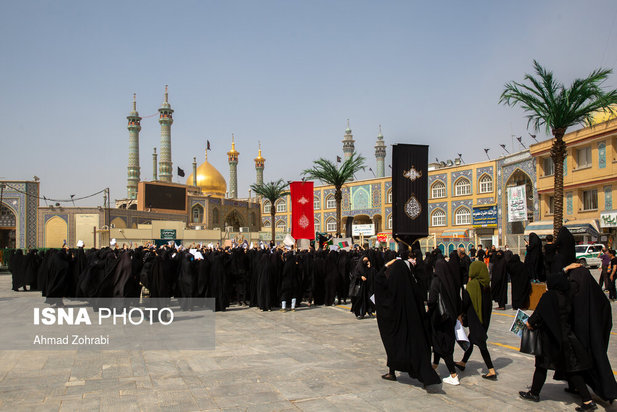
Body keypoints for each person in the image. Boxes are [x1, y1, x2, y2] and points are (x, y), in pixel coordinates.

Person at [519, 271, 595, 411]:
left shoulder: (548, 297)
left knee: (542, 365)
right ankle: (587, 400)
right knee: (572, 369)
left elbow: (537, 316)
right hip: (567, 338)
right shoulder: (567, 296)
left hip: (549, 339)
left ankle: (534, 393)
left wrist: (528, 323)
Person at [375, 249, 440, 387]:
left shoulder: (391, 292)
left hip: (396, 327)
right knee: (415, 348)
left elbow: (378, 280)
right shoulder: (413, 288)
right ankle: (422, 374)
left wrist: (386, 265)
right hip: (412, 326)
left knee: (393, 346)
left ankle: (392, 372)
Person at [455, 261, 496, 379]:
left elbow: (466, 302)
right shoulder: (486, 285)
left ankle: (491, 370)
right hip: (484, 319)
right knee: (471, 340)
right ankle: (463, 362)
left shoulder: (472, 285)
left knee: (481, 344)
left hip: (475, 318)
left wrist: (460, 314)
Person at [428, 259, 462, 385]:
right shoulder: (451, 280)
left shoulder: (436, 281)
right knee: (440, 344)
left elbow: (432, 300)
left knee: (443, 347)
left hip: (439, 319)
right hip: (450, 318)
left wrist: (428, 311)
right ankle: (434, 365)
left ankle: (453, 375)